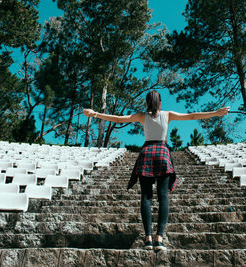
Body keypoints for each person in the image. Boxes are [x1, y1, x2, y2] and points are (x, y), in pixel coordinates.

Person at [83, 90, 230, 251]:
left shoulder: (141, 116)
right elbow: (193, 115)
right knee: (163, 196)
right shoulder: (167, 114)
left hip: (146, 153)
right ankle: (159, 238)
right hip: (162, 153)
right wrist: (215, 113)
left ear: (147, 103)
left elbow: (118, 119)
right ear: (160, 103)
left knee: (146, 197)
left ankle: (148, 238)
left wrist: (95, 114)